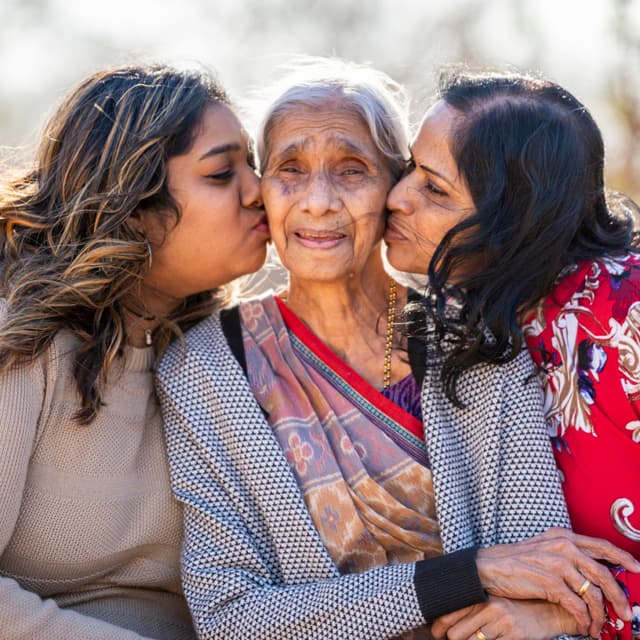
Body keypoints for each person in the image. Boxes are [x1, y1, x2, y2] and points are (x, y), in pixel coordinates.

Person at [157, 58, 638, 640]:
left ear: (393, 184)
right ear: (263, 191)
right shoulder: (202, 367)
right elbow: (233, 619)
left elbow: (543, 571)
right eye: (290, 169)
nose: (317, 201)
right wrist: (467, 574)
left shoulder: (481, 339)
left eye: (352, 169)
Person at [0, 63, 268, 639]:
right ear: (135, 208)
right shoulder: (19, 342)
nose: (259, 191)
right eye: (223, 173)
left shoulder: (222, 356)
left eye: (255, 165)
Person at [384, 68, 640, 640]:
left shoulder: (628, 317)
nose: (396, 198)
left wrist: (566, 612)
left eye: (434, 188)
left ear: (517, 219)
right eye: (408, 169)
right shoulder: (467, 317)